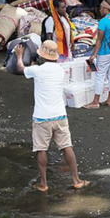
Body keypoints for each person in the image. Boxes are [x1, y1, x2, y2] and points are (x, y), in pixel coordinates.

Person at [15, 40, 88, 192]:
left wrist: (19, 56)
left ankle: (43, 183)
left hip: (42, 117)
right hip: (60, 115)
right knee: (67, 146)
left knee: (41, 150)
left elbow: (20, 68)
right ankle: (77, 179)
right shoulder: (60, 70)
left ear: (42, 55)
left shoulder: (36, 70)